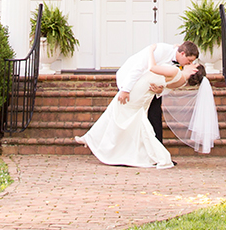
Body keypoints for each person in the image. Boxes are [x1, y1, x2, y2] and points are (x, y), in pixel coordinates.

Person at [76, 60, 207, 168]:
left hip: (141, 91)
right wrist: (160, 89)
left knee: (117, 109)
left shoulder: (176, 71)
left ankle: (92, 139)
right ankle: (95, 140)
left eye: (193, 64)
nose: (190, 63)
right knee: (130, 118)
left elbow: (152, 67)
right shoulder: (182, 81)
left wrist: (151, 50)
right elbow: (164, 87)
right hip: (145, 93)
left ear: (195, 70)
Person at [114, 40, 198, 142]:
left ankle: (157, 152)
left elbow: (169, 82)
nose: (189, 64)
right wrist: (126, 90)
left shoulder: (181, 66)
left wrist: (161, 90)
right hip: (132, 83)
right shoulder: (161, 50)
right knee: (131, 118)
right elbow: (139, 67)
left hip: (152, 90)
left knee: (155, 117)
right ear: (182, 53)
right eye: (189, 61)